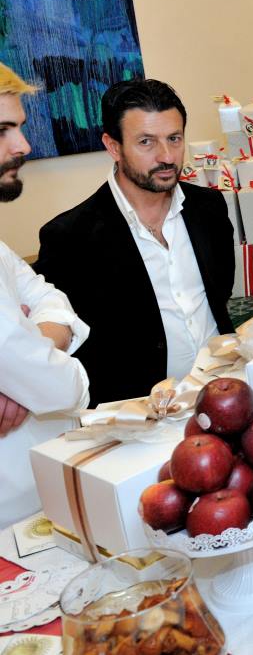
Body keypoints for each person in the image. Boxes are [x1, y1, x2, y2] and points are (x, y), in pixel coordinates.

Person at [36, 80, 234, 407]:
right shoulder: (70, 237)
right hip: (136, 415)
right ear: (113, 147)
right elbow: (72, 344)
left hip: (223, 392)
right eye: (146, 142)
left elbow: (220, 292)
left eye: (174, 138)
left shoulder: (209, 208)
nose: (166, 156)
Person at [0, 62, 90, 528]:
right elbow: (62, 388)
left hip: (39, 493)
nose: (23, 146)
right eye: (2, 130)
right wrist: (33, 375)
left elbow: (54, 301)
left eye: (18, 127)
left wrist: (24, 363)